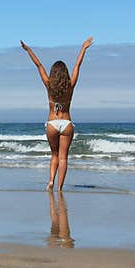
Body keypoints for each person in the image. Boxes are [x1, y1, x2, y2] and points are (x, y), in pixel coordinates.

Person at [19, 37, 94, 191]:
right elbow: (77, 65)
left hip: (52, 123)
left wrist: (28, 50)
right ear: (65, 73)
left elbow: (38, 65)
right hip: (66, 124)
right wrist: (83, 48)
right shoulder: (70, 85)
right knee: (63, 158)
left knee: (54, 155)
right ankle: (59, 188)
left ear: (53, 73)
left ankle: (51, 181)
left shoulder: (48, 84)